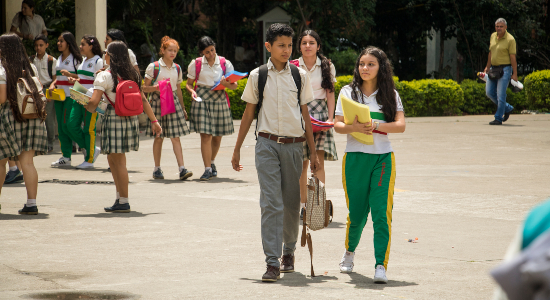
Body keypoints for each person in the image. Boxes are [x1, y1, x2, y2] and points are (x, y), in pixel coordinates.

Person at [231, 23, 318, 282]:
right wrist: (236, 149)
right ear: (268, 46)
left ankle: (288, 252)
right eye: (282, 45)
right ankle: (271, 262)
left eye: (290, 45)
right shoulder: (258, 75)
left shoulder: (298, 75)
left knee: (291, 204)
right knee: (271, 202)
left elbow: (306, 116)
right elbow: (248, 114)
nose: (287, 50)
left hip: (294, 145)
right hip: (266, 145)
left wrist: (312, 152)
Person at [334, 46, 406, 284]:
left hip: (382, 158)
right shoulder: (347, 91)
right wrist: (353, 127)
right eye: (362, 64)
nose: (365, 68)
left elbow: (400, 125)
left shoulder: (390, 94)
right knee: (356, 214)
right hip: (354, 158)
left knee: (381, 215)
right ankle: (349, 252)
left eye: (371, 64)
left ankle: (380, 266)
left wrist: (376, 126)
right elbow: (337, 124)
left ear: (381, 67)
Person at [85, 41, 161, 213]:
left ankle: (124, 201)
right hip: (129, 118)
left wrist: (85, 104)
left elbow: (94, 102)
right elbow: (142, 99)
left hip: (113, 118)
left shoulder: (104, 76)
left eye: (106, 52)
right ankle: (120, 198)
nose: (104, 54)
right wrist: (154, 121)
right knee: (115, 160)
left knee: (117, 162)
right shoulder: (132, 74)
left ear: (110, 56)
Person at [0, 33, 48, 215]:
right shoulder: (31, 67)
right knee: (27, 163)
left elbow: (2, 97)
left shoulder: (2, 68)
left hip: (10, 117)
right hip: (31, 115)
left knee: (1, 162)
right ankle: (31, 204)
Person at [295, 30, 338, 219]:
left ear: (318, 46)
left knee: (317, 163)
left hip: (320, 116)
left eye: (311, 42)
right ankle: (304, 207)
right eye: (304, 43)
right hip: (299, 114)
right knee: (301, 164)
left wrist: (331, 119)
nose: (307, 46)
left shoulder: (327, 65)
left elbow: (330, 93)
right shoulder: (293, 65)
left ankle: (317, 207)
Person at [186, 36, 238, 181]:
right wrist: (192, 92)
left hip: (219, 98)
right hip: (202, 97)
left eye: (212, 50)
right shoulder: (196, 64)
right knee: (206, 135)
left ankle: (212, 162)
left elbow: (234, 86)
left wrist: (226, 83)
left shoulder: (224, 63)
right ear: (202, 52)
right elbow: (189, 84)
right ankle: (207, 168)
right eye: (207, 52)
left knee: (217, 137)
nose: (211, 54)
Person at [143, 36, 192, 180]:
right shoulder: (154, 67)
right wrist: (156, 88)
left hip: (173, 101)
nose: (172, 53)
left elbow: (178, 88)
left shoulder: (177, 68)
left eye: (175, 51)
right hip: (158, 102)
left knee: (175, 136)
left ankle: (182, 169)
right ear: (162, 50)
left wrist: (182, 108)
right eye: (170, 50)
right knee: (159, 136)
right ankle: (157, 169)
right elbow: (144, 89)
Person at [66, 34, 103, 169]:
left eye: (83, 44)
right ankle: (91, 148)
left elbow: (99, 81)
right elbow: (83, 78)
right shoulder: (83, 60)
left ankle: (89, 159)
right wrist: (75, 80)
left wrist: (94, 99)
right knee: (70, 125)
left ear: (91, 46)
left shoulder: (98, 61)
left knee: (89, 129)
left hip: (91, 98)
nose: (80, 47)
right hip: (79, 95)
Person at [49, 32, 82, 167]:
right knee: (61, 129)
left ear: (68, 42)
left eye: (61, 41)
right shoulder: (58, 59)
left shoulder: (76, 59)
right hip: (59, 96)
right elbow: (57, 77)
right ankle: (66, 156)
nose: (58, 43)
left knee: (68, 125)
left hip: (72, 96)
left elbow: (82, 77)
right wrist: (52, 84)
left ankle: (86, 146)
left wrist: (70, 74)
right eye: (58, 41)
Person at [484, 18, 517, 125]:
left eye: (501, 26)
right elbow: (490, 53)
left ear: (506, 27)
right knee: (489, 92)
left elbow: (513, 58)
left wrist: (515, 74)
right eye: (497, 26)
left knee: (501, 95)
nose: (499, 28)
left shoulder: (510, 39)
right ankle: (507, 108)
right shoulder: (493, 36)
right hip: (493, 69)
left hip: (505, 69)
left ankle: (498, 118)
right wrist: (487, 67)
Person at [31, 34, 57, 153]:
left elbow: (55, 78)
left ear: (46, 45)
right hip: (34, 90)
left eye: (41, 45)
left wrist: (52, 89)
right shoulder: (31, 60)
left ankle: (50, 142)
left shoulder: (51, 60)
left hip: (47, 89)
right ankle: (38, 142)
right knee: (35, 116)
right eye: (36, 45)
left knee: (49, 117)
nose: (38, 48)